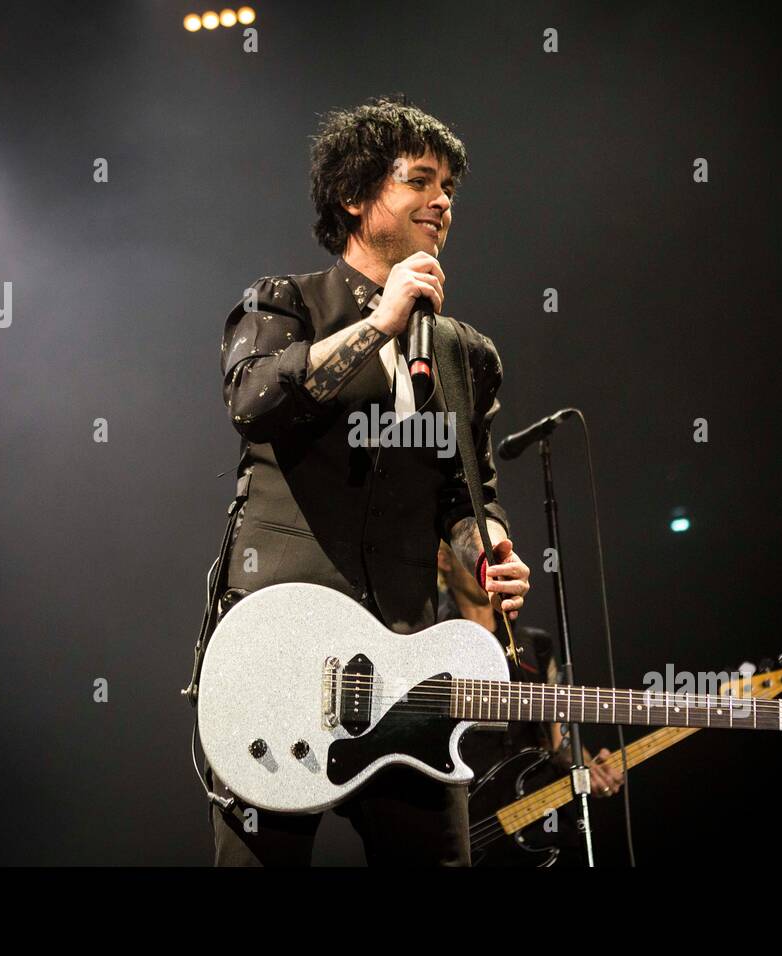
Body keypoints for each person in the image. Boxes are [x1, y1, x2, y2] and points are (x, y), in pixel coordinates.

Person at [204, 95, 531, 866]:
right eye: (420, 180)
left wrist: (490, 547)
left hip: (410, 670)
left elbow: (465, 492)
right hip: (279, 658)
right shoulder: (282, 302)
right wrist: (379, 324)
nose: (443, 201)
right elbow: (254, 402)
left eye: (450, 187)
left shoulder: (465, 355)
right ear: (356, 197)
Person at [436, 542, 621, 866]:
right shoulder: (432, 639)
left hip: (541, 824)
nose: (487, 567)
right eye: (475, 557)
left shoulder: (536, 644)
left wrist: (587, 766)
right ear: (445, 559)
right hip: (467, 826)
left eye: (494, 557)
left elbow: (559, 739)